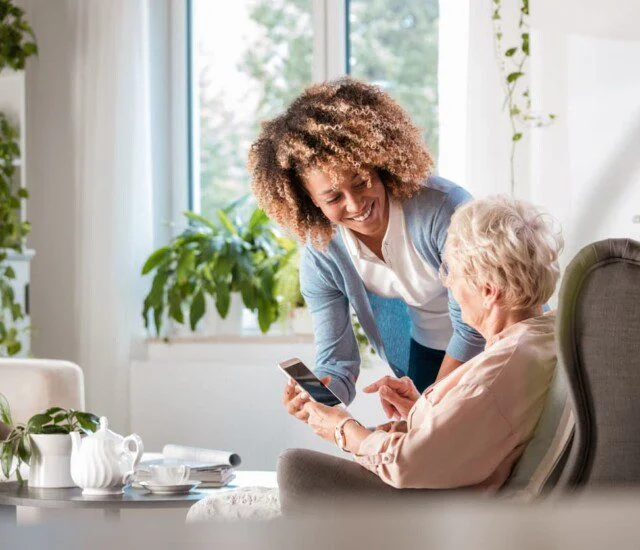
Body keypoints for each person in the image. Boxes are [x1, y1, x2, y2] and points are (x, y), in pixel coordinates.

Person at [280, 195, 563, 493]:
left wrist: (341, 428)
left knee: (295, 467)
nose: (447, 283)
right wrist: (422, 409)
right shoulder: (539, 338)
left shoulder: (498, 371)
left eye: (451, 272)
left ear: (489, 291)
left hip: (441, 506)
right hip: (449, 479)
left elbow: (406, 463)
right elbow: (476, 430)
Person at [249, 77, 484, 404]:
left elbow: (475, 323)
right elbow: (338, 363)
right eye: (333, 198)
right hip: (429, 357)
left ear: (378, 164)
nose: (356, 204)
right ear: (309, 200)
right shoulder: (323, 255)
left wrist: (429, 407)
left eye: (360, 182)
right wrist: (318, 398)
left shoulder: (442, 209)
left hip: (492, 347)